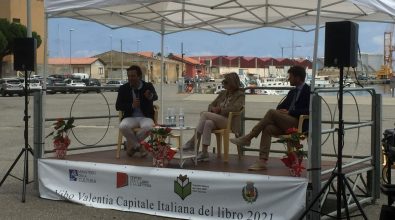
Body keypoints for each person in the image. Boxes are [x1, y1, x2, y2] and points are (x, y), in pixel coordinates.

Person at [230, 65, 310, 171]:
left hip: (298, 123)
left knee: (271, 112)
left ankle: (248, 137)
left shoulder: (308, 91)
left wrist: (290, 112)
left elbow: (309, 111)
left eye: (290, 76)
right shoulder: (292, 92)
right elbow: (280, 107)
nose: (288, 79)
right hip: (286, 122)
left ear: (298, 78)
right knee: (267, 128)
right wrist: (282, 111)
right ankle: (262, 161)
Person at [183, 72, 245, 161]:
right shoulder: (223, 93)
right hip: (218, 119)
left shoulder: (240, 95)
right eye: (224, 82)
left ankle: (192, 142)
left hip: (230, 121)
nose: (224, 84)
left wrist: (220, 110)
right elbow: (211, 105)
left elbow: (236, 108)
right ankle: (204, 152)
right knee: (208, 123)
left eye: (226, 82)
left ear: (232, 83)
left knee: (204, 114)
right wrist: (213, 108)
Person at [116, 65, 158, 157]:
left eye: (133, 76)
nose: (130, 78)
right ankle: (138, 146)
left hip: (145, 116)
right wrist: (131, 105)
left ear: (139, 76)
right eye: (129, 76)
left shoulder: (148, 86)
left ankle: (130, 144)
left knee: (149, 127)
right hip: (130, 116)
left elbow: (155, 97)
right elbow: (118, 106)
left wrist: (150, 96)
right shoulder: (123, 88)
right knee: (123, 126)